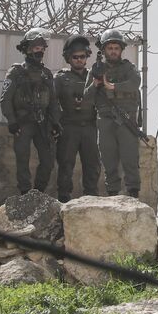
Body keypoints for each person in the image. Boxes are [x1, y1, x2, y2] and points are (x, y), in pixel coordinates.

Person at [0, 28, 60, 195]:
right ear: (27, 49)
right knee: (22, 160)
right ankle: (25, 193)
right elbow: (5, 99)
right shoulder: (16, 72)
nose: (39, 51)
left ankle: (38, 193)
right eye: (35, 48)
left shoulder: (47, 74)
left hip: (43, 124)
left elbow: (54, 102)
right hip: (23, 123)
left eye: (41, 48)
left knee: (48, 161)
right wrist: (11, 121)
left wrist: (55, 123)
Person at [93, 29, 143, 197]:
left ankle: (133, 194)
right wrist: (95, 84)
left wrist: (113, 87)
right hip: (105, 120)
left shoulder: (129, 68)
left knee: (130, 158)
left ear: (121, 50)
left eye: (116, 48)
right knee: (109, 160)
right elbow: (86, 95)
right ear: (104, 50)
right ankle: (113, 194)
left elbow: (135, 82)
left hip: (126, 119)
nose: (113, 51)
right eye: (110, 48)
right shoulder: (97, 69)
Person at [54, 35, 101, 202]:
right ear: (69, 58)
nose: (79, 60)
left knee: (93, 165)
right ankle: (64, 200)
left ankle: (91, 200)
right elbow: (52, 102)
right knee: (66, 165)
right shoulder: (60, 78)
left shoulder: (94, 77)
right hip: (69, 127)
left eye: (82, 56)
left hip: (89, 126)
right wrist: (55, 123)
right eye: (75, 57)